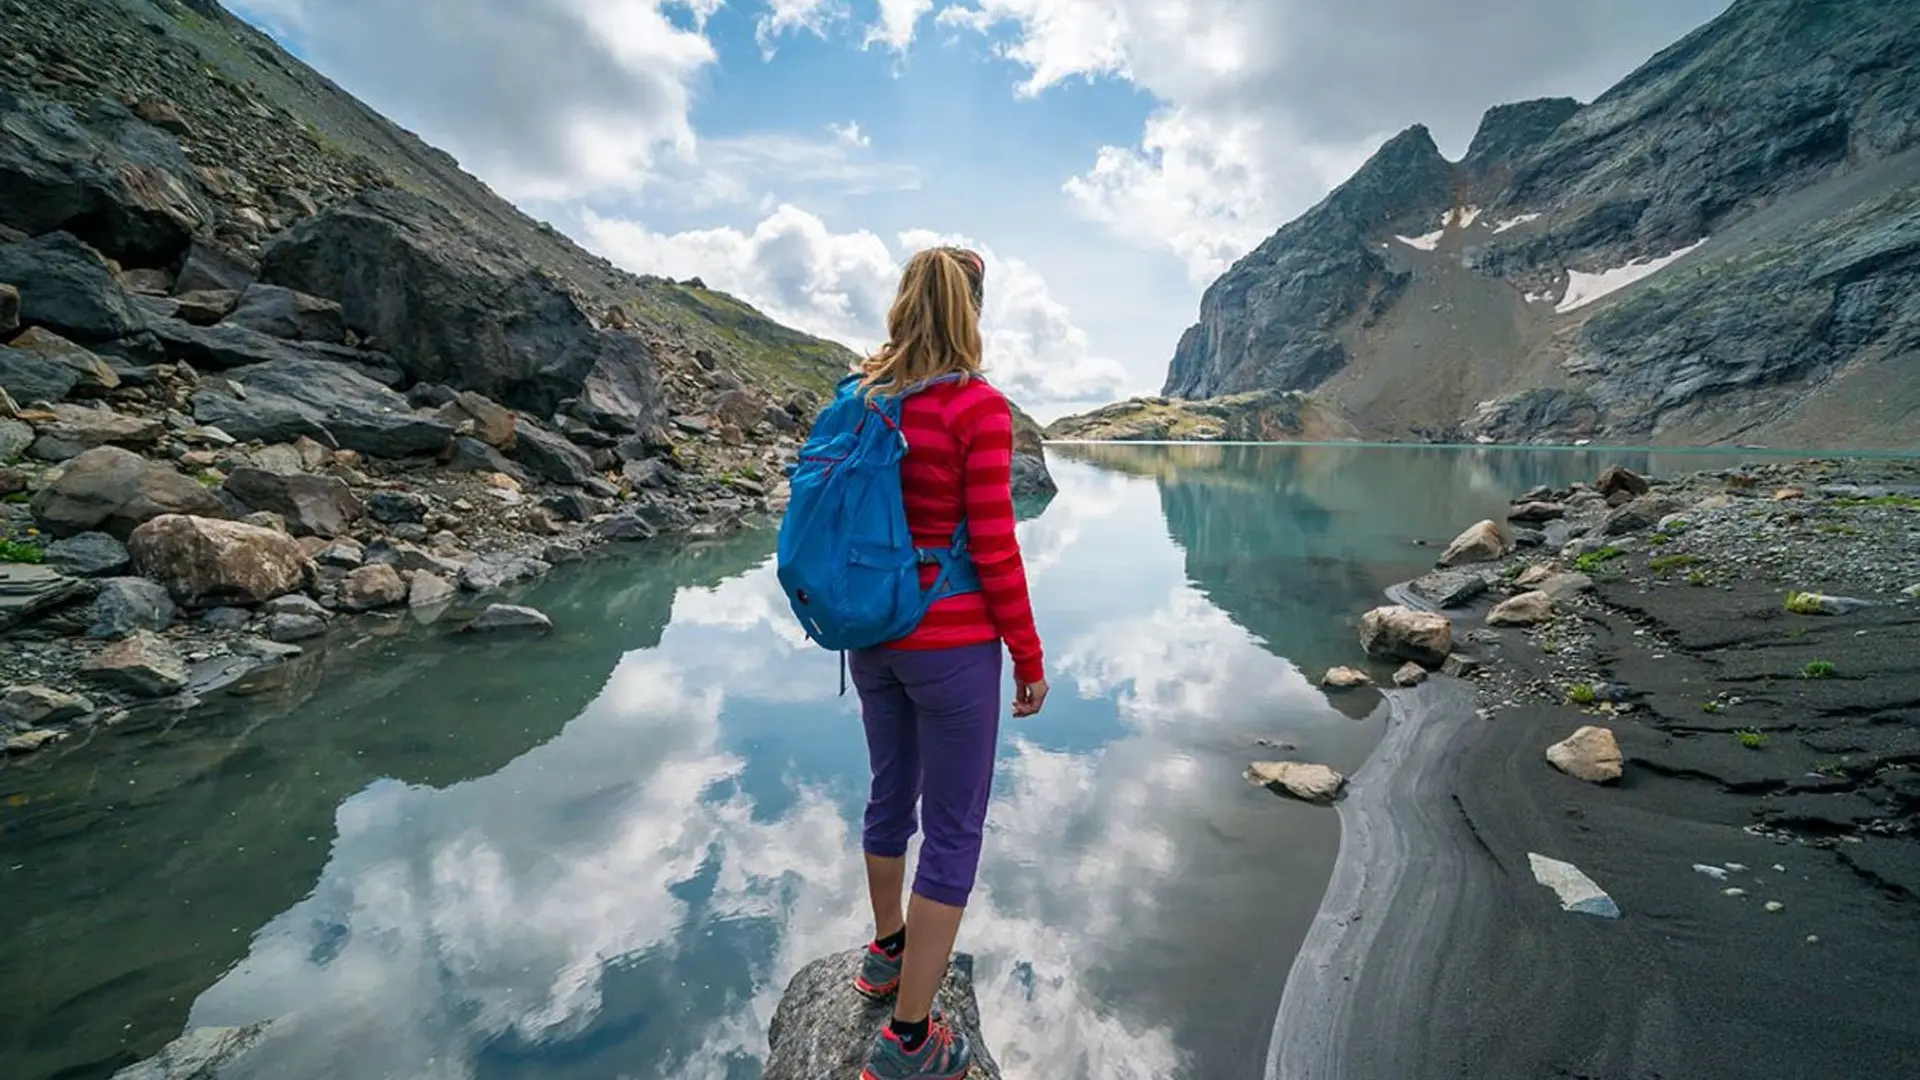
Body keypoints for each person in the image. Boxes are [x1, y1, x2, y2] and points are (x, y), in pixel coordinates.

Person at [845, 246, 1047, 1080]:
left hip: (871, 635)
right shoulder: (977, 408)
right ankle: (910, 1038)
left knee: (890, 792)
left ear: (905, 302)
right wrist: (1027, 655)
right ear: (973, 309)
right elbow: (995, 548)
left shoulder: (864, 402)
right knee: (955, 829)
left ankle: (886, 950)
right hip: (952, 648)